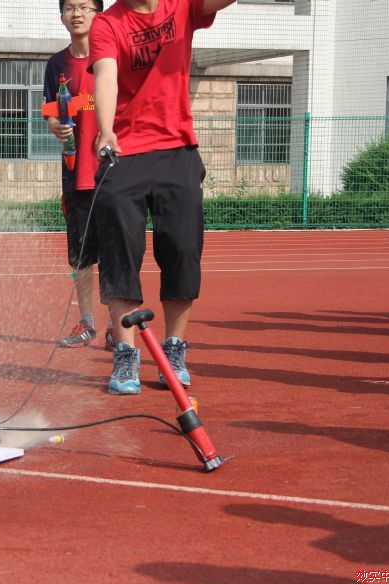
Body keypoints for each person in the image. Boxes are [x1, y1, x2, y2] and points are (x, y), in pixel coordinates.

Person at [89, 0, 235, 394]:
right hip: (125, 150)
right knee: (119, 249)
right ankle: (126, 353)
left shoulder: (182, 5)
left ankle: (174, 348)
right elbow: (106, 76)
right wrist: (106, 129)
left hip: (177, 150)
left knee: (183, 249)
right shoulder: (107, 23)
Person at [43, 0, 114, 350]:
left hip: (113, 172)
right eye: (70, 7)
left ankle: (117, 325)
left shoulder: (112, 59)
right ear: (61, 16)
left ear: (99, 13)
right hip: (75, 175)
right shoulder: (56, 64)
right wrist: (55, 126)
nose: (77, 14)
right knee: (82, 256)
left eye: (85, 6)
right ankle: (87, 322)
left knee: (114, 253)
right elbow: (51, 112)